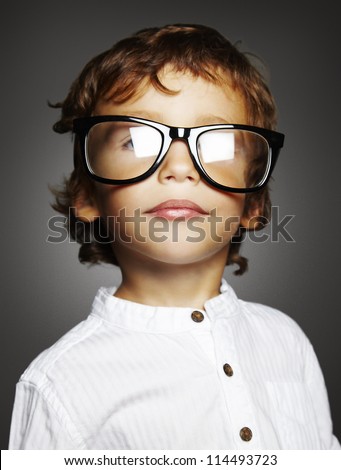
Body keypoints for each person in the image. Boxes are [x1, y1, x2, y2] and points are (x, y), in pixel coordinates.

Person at [9, 23, 340, 450]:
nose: (178, 167)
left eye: (218, 143)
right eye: (137, 140)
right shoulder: (58, 381)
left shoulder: (288, 342)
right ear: (88, 196)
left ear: (253, 205)